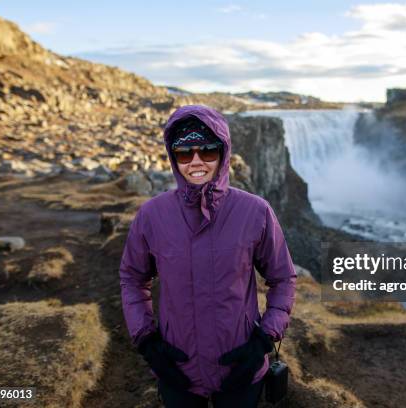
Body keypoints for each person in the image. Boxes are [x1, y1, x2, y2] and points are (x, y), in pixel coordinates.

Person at [119, 104, 297, 407]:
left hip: (241, 366)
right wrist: (147, 342)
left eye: (208, 150)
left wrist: (264, 340)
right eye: (184, 153)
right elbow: (133, 278)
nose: (196, 161)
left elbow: (283, 278)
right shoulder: (152, 215)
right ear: (173, 156)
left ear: (223, 152)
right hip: (178, 370)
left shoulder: (255, 211)